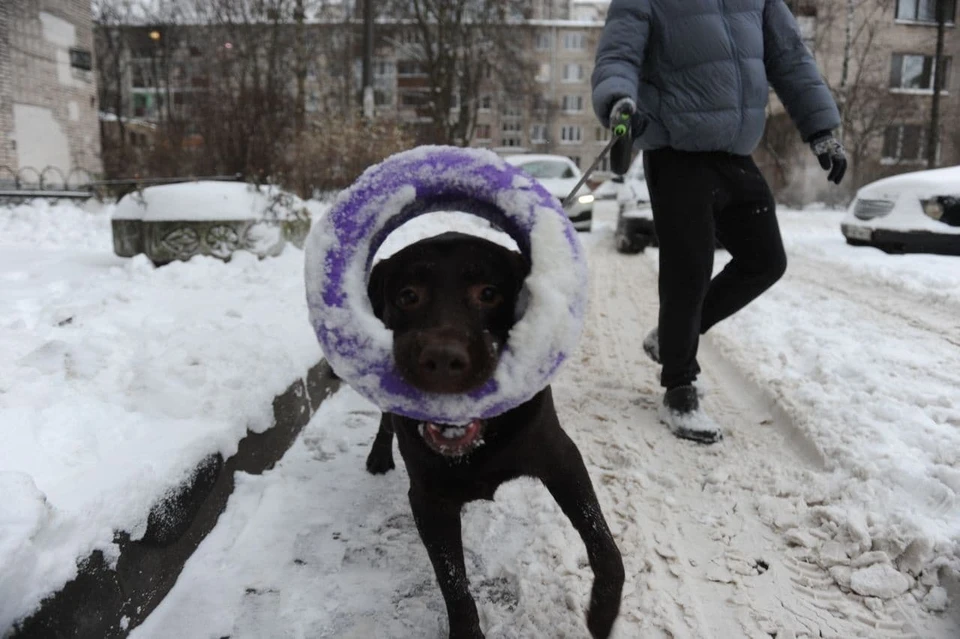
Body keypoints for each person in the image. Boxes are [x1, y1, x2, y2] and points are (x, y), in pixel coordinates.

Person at [592, 0, 847, 444]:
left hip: (734, 153)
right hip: (675, 153)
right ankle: (679, 386)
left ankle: (671, 338)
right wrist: (619, 103)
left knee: (766, 261)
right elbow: (619, 56)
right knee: (688, 270)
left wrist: (822, 129)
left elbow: (790, 60)